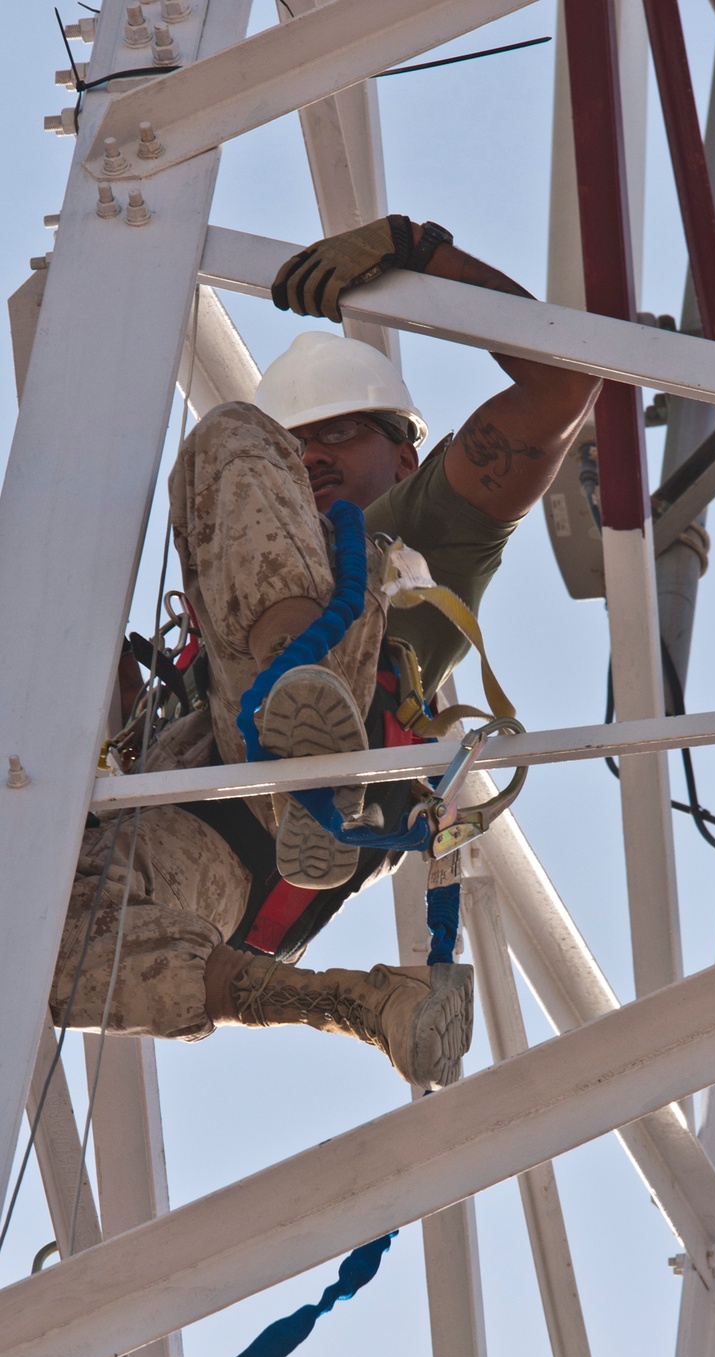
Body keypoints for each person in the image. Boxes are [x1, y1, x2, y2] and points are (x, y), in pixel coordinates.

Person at [49, 217, 601, 1089]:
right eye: (295, 446)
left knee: (228, 432)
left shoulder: (421, 533)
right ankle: (356, 1002)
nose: (310, 459)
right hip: (218, 842)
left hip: (330, 764)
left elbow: (564, 385)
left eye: (341, 435)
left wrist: (426, 258)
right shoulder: (209, 608)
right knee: (33, 933)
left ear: (407, 451)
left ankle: (302, 716)